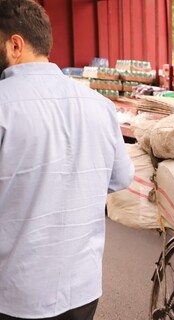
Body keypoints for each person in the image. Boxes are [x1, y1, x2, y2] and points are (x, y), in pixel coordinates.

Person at [0, 1, 134, 319]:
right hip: (82, 287)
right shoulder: (99, 105)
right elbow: (121, 178)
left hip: (16, 291)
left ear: (15, 44)